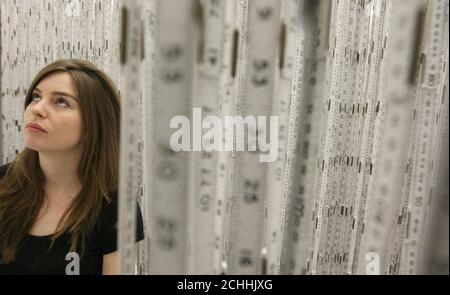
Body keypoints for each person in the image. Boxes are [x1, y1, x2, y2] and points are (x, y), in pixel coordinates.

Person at [0, 59, 144, 275]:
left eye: (61, 102)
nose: (37, 109)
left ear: (93, 124)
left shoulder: (115, 208)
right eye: (36, 96)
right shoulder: (4, 184)